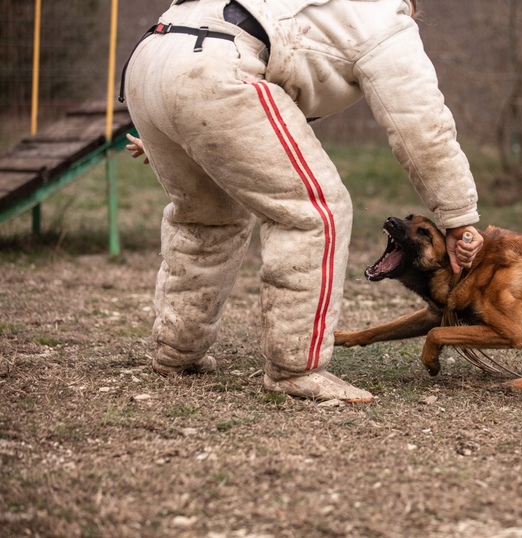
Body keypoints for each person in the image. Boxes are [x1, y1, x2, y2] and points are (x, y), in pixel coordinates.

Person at [121, 0, 483, 403]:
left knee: (206, 217)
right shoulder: (381, 15)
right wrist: (458, 217)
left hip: (152, 61)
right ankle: (296, 369)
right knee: (316, 213)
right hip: (219, 69)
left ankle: (176, 352)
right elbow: (422, 125)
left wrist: (174, 134)